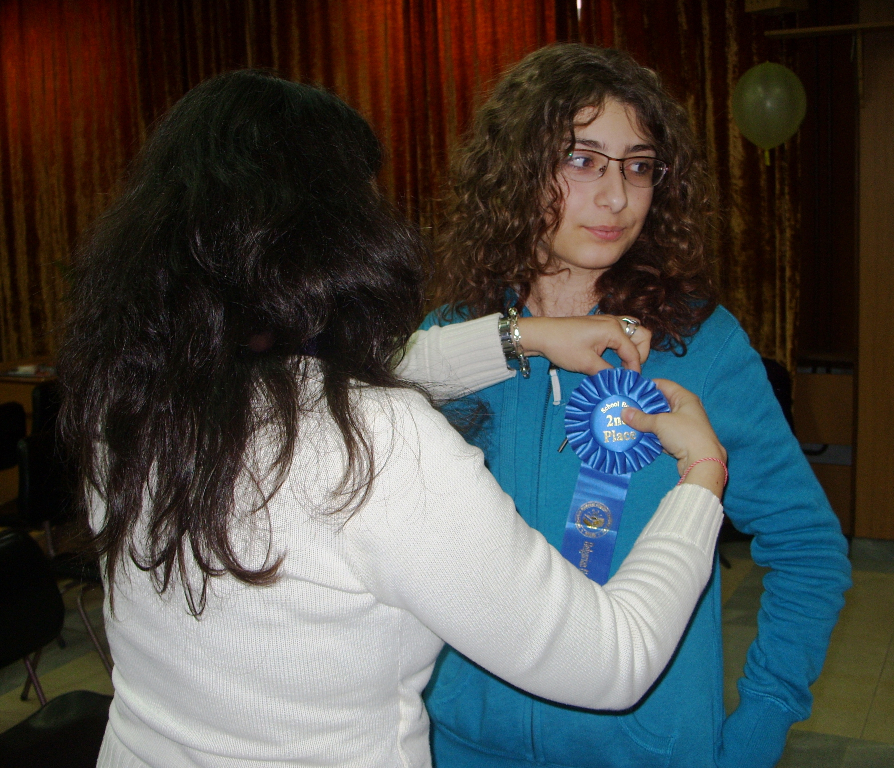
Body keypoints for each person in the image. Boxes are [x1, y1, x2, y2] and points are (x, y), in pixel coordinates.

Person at [58, 69, 728, 768]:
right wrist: (701, 476)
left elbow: (378, 371)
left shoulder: (129, 401)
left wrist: (522, 336)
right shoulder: (378, 442)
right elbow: (613, 661)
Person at [419, 44, 851, 768]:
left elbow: (807, 548)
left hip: (647, 750)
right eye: (582, 160)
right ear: (516, 170)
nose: (618, 197)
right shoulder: (455, 344)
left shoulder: (700, 345)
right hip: (463, 745)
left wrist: (756, 731)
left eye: (639, 166)